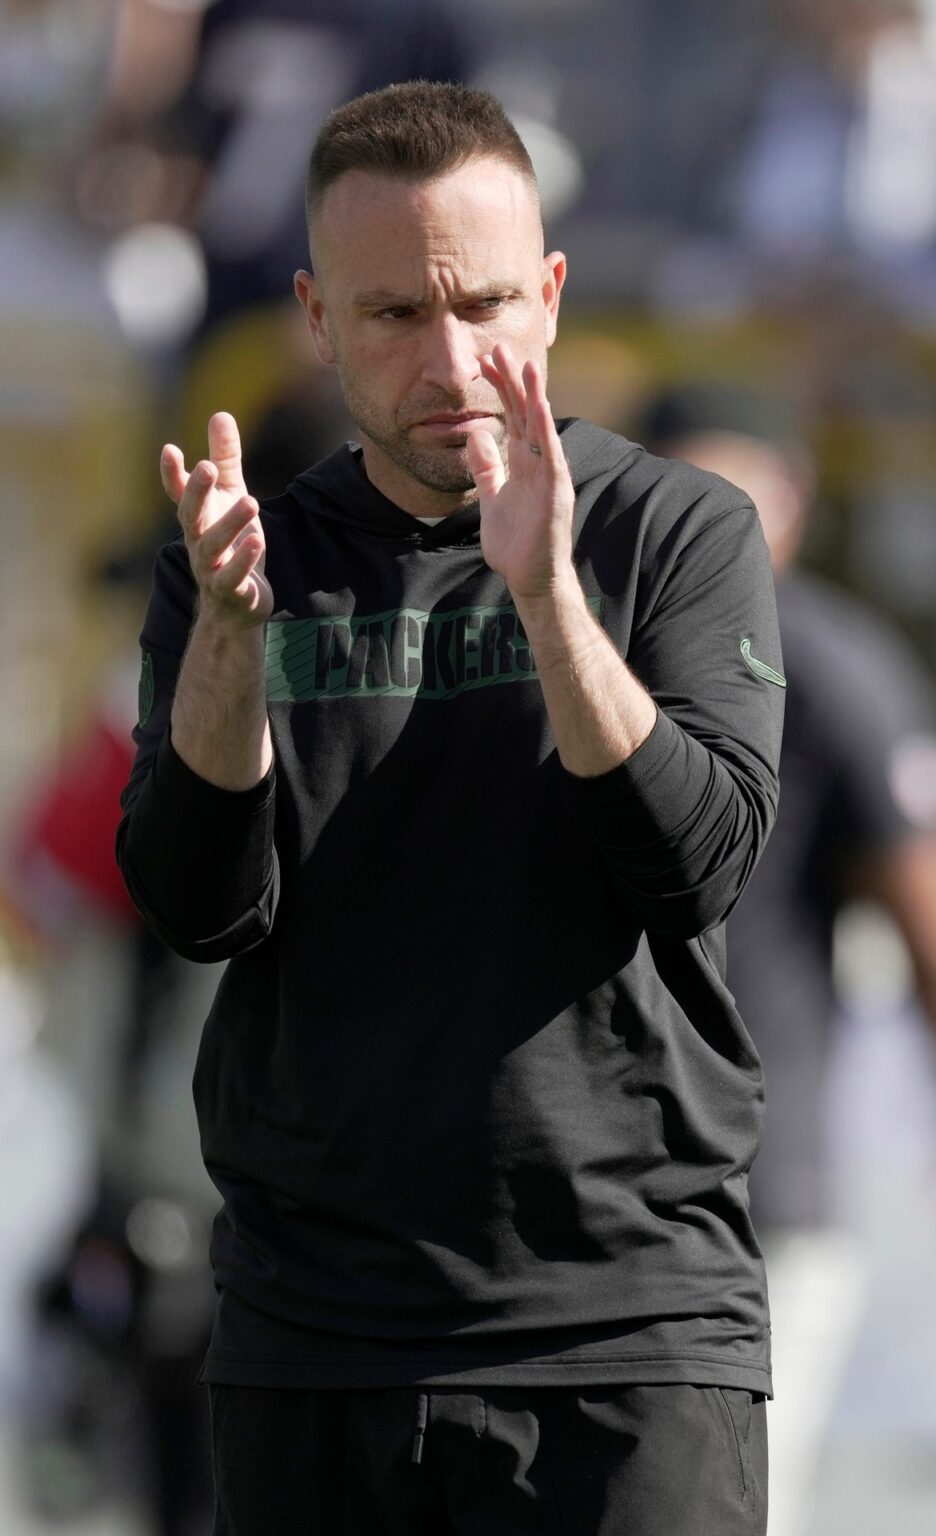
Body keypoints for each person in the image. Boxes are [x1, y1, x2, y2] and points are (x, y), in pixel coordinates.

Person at [117, 82, 784, 1536]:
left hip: (624, 1330)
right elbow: (197, 906)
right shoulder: (243, 556)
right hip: (316, 1333)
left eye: (485, 304)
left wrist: (547, 600)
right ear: (315, 317)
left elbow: (696, 866)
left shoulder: (670, 531)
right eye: (395, 318)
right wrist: (229, 641)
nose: (454, 360)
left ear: (549, 293)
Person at [638, 380, 936, 1536]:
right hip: (590, 1170)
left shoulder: (820, 658)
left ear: (796, 503)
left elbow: (916, 904)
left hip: (754, 1181)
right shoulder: (583, 634)